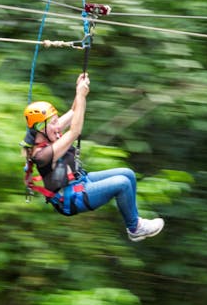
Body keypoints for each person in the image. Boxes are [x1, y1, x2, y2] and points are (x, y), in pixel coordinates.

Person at [22, 72, 164, 242]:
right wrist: (81, 96)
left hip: (81, 181)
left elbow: (75, 111)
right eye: (53, 123)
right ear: (39, 127)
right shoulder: (42, 155)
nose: (58, 125)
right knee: (122, 183)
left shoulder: (49, 131)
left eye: (56, 121)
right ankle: (135, 228)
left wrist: (78, 91)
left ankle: (135, 221)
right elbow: (75, 131)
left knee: (128, 174)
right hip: (72, 199)